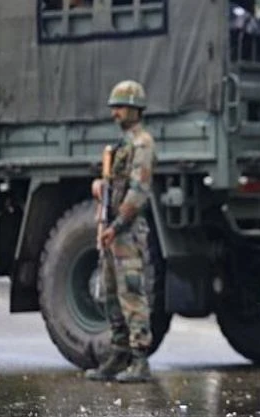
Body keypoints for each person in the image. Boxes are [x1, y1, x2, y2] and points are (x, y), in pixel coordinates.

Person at [85, 80, 156, 383]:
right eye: (114, 107)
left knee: (132, 294)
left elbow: (138, 192)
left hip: (127, 231)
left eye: (120, 107)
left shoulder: (142, 144)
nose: (114, 113)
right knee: (111, 293)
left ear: (135, 109)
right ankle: (118, 352)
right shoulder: (122, 145)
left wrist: (115, 227)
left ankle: (139, 359)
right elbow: (115, 186)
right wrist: (101, 188)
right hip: (113, 230)